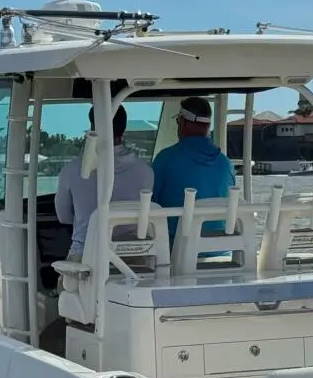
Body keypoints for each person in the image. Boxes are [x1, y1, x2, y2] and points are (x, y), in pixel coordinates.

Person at [54, 104, 154, 259]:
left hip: (85, 254)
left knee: (64, 282)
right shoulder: (146, 172)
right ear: (124, 128)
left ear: (93, 127)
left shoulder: (71, 170)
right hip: (132, 256)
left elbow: (64, 217)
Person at [151, 95, 236, 242]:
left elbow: (151, 206)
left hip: (176, 251)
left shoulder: (165, 159)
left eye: (178, 120)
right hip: (222, 248)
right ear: (208, 127)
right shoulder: (226, 164)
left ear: (183, 123)